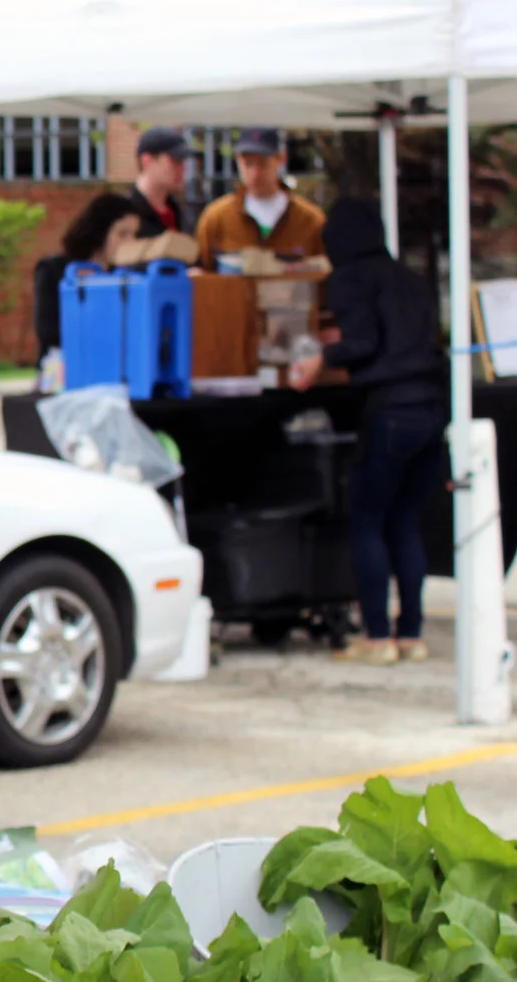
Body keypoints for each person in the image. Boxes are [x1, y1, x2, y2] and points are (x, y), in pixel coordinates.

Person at [287, 197, 444, 665]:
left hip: (389, 410)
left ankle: (376, 636)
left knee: (368, 519)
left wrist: (320, 360)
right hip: (433, 409)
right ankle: (410, 633)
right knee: (406, 521)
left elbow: (363, 343)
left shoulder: (350, 278)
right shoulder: (412, 280)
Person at [31, 193, 156, 358]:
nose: (130, 242)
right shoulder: (53, 270)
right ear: (99, 233)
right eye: (122, 234)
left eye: (134, 234)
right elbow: (49, 332)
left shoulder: (129, 276)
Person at [194, 128, 326, 267]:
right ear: (238, 161)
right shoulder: (217, 218)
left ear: (280, 159)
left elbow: (324, 276)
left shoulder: (309, 220)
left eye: (263, 164)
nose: (255, 173)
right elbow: (201, 273)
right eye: (248, 164)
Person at [126, 126, 199, 235]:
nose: (183, 168)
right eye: (175, 160)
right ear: (147, 161)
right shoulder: (126, 215)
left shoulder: (177, 212)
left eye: (182, 161)